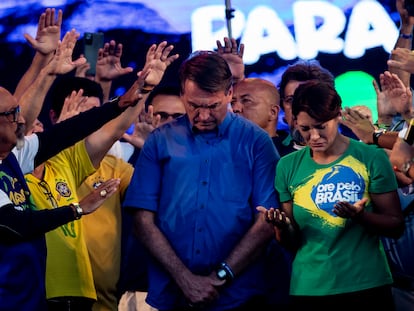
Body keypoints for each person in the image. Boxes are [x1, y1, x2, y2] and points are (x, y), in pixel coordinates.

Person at [24, 41, 178, 311]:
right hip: (34, 293)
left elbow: (111, 130)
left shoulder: (67, 163)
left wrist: (145, 87)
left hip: (83, 294)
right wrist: (46, 71)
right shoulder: (11, 171)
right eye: (28, 124)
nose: (34, 127)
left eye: (36, 124)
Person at [123, 50, 279, 310]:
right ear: (182, 94)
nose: (203, 116)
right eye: (194, 105)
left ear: (230, 93)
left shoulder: (257, 142)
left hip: (239, 296)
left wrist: (221, 276)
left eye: (213, 106)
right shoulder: (160, 141)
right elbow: (141, 220)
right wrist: (184, 279)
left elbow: (266, 221)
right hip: (171, 294)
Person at [259, 80, 404, 310]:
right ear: (295, 122)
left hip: (366, 285)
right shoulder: (287, 166)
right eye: (305, 129)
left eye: (321, 126)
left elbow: (396, 226)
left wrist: (360, 217)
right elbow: (292, 241)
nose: (314, 136)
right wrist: (281, 225)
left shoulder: (370, 157)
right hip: (310, 288)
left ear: (338, 116)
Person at [277, 59, 335, 150]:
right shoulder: (269, 151)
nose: (298, 107)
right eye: (291, 100)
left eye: (307, 98)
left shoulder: (351, 149)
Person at [232, 77, 294, 156]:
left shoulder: (296, 157)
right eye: (232, 103)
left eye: (246, 100)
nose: (235, 108)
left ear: (273, 112)